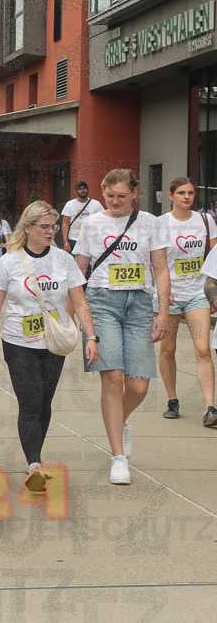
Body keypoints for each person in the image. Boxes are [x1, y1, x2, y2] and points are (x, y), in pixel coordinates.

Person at [0, 201, 99, 492]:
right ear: (28, 228)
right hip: (18, 341)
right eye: (44, 227)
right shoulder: (9, 261)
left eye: (54, 226)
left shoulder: (63, 260)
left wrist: (91, 336)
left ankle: (35, 457)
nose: (50, 232)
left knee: (44, 402)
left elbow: (80, 302)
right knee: (30, 401)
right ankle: (34, 463)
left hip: (53, 341)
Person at [72, 169, 170, 485]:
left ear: (134, 194)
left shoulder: (151, 223)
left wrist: (163, 311)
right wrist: (77, 312)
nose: (115, 201)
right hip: (102, 302)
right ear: (102, 192)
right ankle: (118, 457)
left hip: (140, 304)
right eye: (110, 196)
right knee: (113, 378)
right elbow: (79, 271)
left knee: (139, 384)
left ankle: (121, 420)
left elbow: (160, 268)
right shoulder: (92, 223)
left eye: (122, 196)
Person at [157, 177, 217, 425]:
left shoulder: (206, 220)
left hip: (197, 294)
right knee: (168, 349)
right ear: (170, 196)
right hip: (169, 295)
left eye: (191, 192)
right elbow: (155, 258)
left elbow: (214, 258)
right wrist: (161, 290)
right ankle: (172, 399)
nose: (187, 197)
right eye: (181, 192)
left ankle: (210, 407)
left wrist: (213, 293)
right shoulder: (161, 223)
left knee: (203, 350)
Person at [61, 181, 104, 252]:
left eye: (84, 188)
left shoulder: (96, 204)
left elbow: (102, 220)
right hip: (73, 239)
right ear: (76, 191)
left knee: (90, 262)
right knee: (73, 262)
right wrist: (65, 242)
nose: (82, 190)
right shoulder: (70, 204)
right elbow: (65, 224)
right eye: (80, 189)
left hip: (90, 240)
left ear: (87, 189)